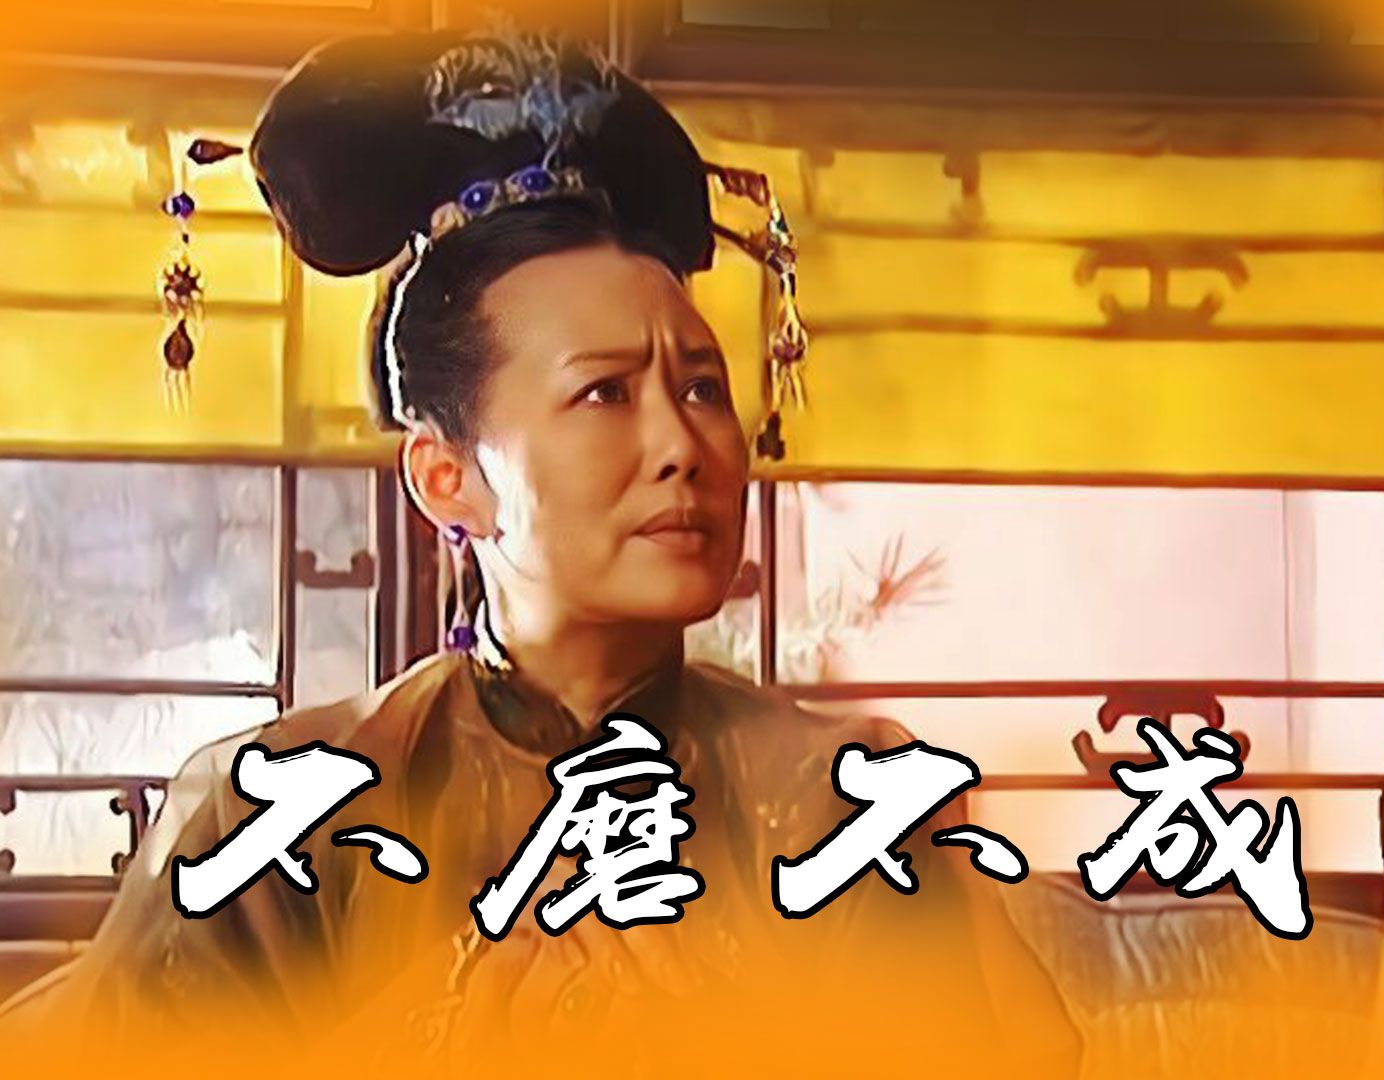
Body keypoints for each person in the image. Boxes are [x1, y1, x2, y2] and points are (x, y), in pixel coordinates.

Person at [0, 29, 1079, 1072]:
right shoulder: (279, 816)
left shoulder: (846, 799)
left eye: (703, 386)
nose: (684, 444)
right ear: (447, 478)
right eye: (603, 393)